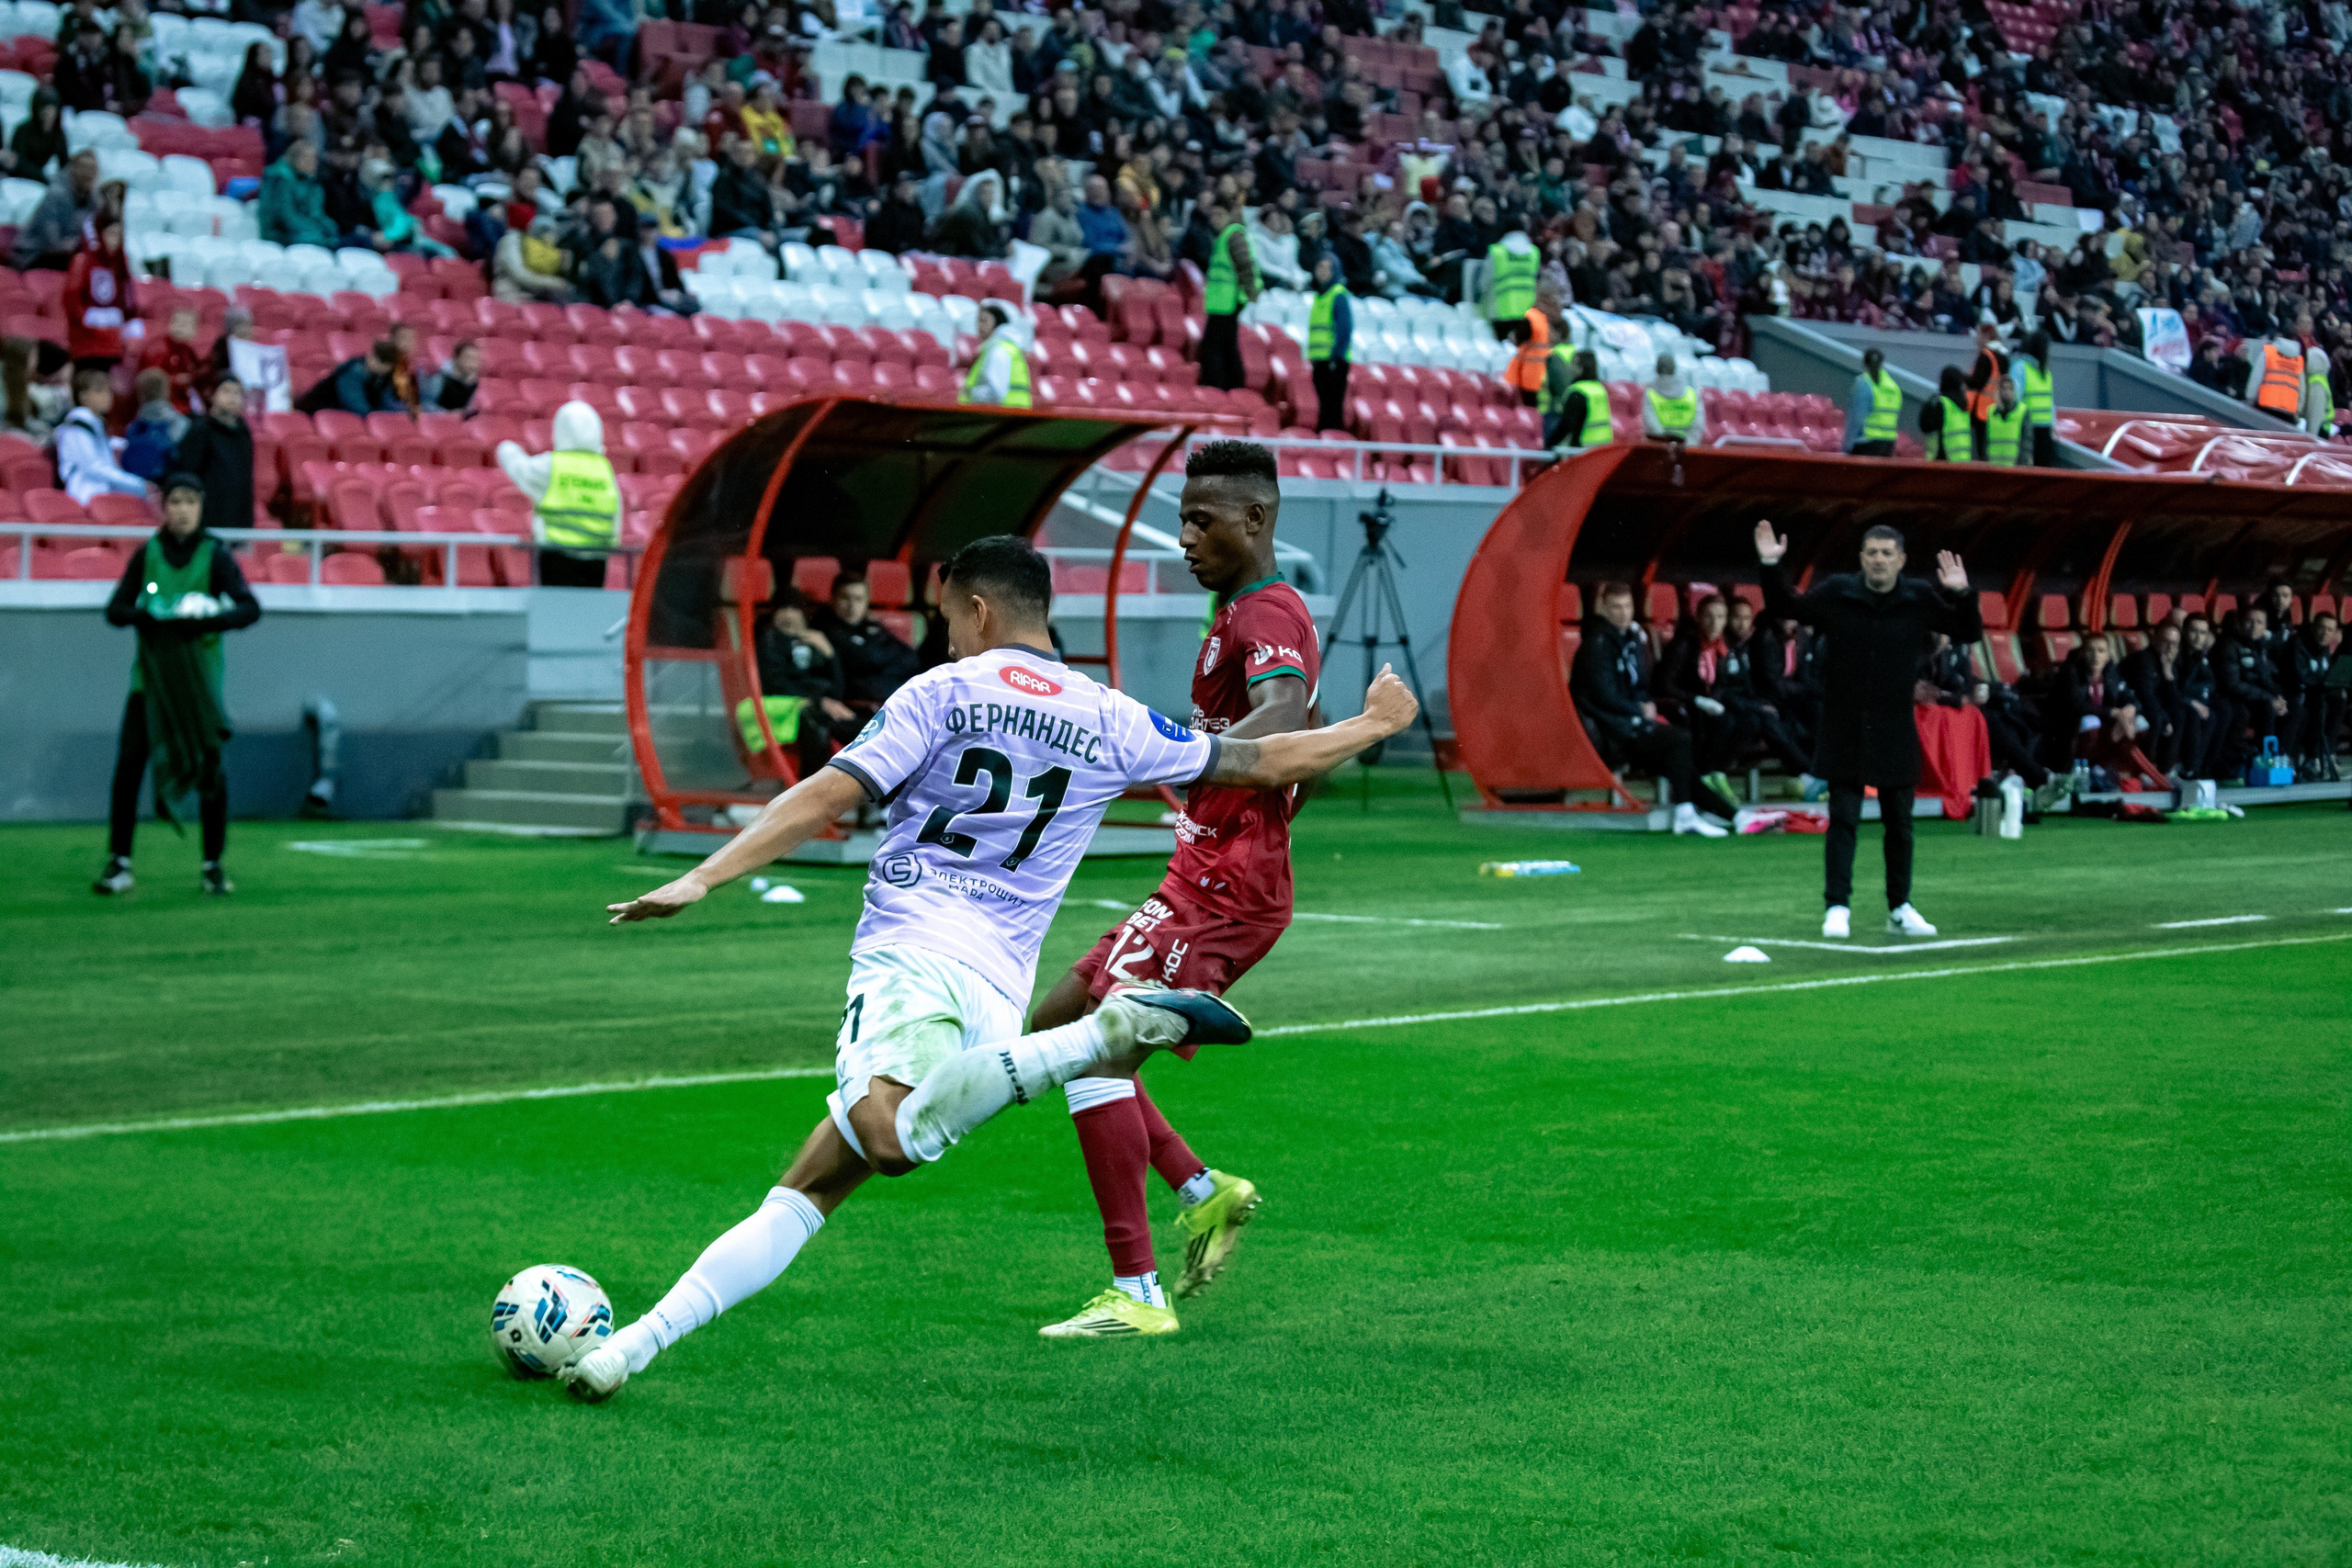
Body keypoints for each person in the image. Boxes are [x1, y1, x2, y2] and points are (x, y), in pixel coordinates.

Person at [563, 536, 1420, 1402]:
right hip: (997, 993)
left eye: (946, 619)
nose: (944, 639)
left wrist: (704, 873)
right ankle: (629, 1347)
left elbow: (830, 790)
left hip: (911, 951)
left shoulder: (942, 692)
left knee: (891, 1139)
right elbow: (1266, 760)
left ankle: (1094, 1041)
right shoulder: (1109, 714)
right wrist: (1374, 725)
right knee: (816, 1179)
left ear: (977, 610)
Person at [1023, 440, 1317, 1336]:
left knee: (1096, 1053)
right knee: (1055, 1025)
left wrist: (1195, 751)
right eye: (1180, 518)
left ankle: (1137, 1293)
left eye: (1202, 520)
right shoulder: (1230, 613)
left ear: (1255, 520)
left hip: (1231, 883)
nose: (1184, 537)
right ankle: (1202, 1190)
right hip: (1195, 869)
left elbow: (1284, 714)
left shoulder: (1269, 611)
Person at [1756, 520, 1979, 938]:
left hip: (1895, 723)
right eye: (1872, 553)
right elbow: (1787, 607)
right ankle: (1837, 907)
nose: (1879, 560)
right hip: (1845, 723)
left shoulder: (1919, 596)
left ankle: (1900, 907)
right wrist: (1771, 566)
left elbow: (1968, 630)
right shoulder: (1839, 591)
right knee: (1843, 819)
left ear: (1901, 560)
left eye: (1887, 553)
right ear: (1861, 559)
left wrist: (1962, 593)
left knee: (1900, 823)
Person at [93, 474, 260, 898]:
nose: (182, 510)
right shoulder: (148, 553)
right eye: (175, 502)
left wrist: (208, 621)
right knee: (129, 766)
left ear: (201, 507)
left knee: (210, 774)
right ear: (163, 508)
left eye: (190, 501)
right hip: (149, 684)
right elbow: (115, 609)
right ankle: (120, 862)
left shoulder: (215, 554)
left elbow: (249, 608)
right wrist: (143, 618)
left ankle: (212, 865)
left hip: (198, 686)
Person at [1569, 581, 1738, 835]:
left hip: (1630, 722)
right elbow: (1602, 695)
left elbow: (1639, 685)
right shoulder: (1598, 645)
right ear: (1603, 608)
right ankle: (1685, 813)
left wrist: (1646, 708)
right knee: (1678, 741)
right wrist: (1639, 711)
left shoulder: (1632, 639)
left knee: (1682, 765)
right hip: (1613, 729)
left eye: (1627, 606)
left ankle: (1735, 816)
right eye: (1616, 607)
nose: (1623, 613)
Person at [496, 400, 619, 589]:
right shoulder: (604, 469)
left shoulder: (552, 466)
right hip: (597, 560)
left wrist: (506, 448)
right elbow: (616, 515)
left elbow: (520, 470)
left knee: (555, 615)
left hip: (555, 558)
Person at [811, 572, 921, 707]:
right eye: (845, 598)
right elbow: (863, 658)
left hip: (888, 698)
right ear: (832, 598)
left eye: (858, 599)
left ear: (867, 602)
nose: (852, 606)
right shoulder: (823, 628)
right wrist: (885, 661)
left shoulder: (870, 625)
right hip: (856, 705)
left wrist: (878, 663)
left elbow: (910, 657)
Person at [171, 378, 255, 537]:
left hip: (240, 524)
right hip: (207, 524)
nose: (232, 397)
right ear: (212, 396)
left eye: (237, 393)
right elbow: (187, 474)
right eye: (226, 391)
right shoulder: (200, 431)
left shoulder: (244, 433)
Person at [54, 367, 149, 504]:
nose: (107, 395)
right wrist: (138, 484)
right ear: (83, 396)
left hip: (103, 491)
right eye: (99, 391)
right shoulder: (77, 426)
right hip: (85, 495)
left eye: (109, 390)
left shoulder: (96, 424)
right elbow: (93, 467)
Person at [61, 214, 135, 371]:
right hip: (86, 343)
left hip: (112, 344)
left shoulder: (120, 264)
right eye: (111, 234)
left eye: (119, 235)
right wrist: (90, 321)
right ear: (100, 234)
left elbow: (125, 299)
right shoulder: (83, 261)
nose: (115, 241)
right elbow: (72, 299)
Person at [1197, 196, 1257, 393]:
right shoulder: (1224, 235)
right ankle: (1232, 387)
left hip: (1228, 301)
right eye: (1212, 214)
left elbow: (1246, 265)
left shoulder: (1232, 235)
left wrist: (1250, 294)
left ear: (1229, 216)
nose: (1215, 219)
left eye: (1219, 214)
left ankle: (1216, 387)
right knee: (1227, 346)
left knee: (1212, 347)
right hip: (1222, 301)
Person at [13, 147, 99, 270]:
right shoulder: (56, 195)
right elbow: (53, 243)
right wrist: (79, 244)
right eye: (85, 170)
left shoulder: (91, 200)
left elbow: (91, 239)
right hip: (33, 255)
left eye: (93, 171)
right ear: (73, 170)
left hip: (64, 257)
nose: (89, 175)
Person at [2282, 611, 2343, 780]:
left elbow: (2324, 673)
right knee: (2320, 704)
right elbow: (2300, 676)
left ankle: (2327, 753)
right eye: (2322, 628)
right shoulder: (2298, 644)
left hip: (2315, 693)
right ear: (2314, 628)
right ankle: (2311, 757)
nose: (2325, 633)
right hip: (2296, 693)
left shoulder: (2324, 649)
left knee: (2339, 700)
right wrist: (2324, 685)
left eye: (2330, 630)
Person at [1306, 252, 1352, 433]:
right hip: (1320, 360)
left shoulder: (1338, 294)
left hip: (1334, 360)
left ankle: (1332, 436)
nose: (1323, 272)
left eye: (1327, 268)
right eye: (1320, 267)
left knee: (1332, 404)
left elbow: (1344, 328)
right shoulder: (1318, 296)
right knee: (1323, 402)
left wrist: (1336, 355)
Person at [295, 339, 403, 415]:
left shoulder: (386, 377)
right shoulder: (352, 371)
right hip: (312, 412)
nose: (378, 365)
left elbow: (390, 403)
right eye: (377, 359)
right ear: (371, 354)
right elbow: (356, 405)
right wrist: (377, 416)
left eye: (385, 364)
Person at [957, 301, 1031, 407]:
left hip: (1003, 415)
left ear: (996, 322)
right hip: (1013, 412)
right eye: (978, 321)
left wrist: (970, 392)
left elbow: (995, 392)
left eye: (984, 321)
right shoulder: (1009, 347)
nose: (979, 326)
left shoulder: (998, 350)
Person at [120, 368, 187, 480]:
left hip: (138, 486)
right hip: (167, 482)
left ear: (140, 394)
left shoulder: (132, 429)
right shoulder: (180, 423)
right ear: (165, 391)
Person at [1542, 346, 1611, 451]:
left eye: (1574, 364)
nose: (1570, 367)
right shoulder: (1600, 389)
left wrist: (1550, 444)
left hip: (1583, 449)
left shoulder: (1578, 392)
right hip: (1603, 448)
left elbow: (1566, 425)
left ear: (1582, 368)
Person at [1484, 224, 1538, 340]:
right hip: (1527, 311)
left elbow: (1484, 282)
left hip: (1501, 310)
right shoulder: (1534, 252)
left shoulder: (1497, 251)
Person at [1962, 321, 2006, 459]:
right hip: (1995, 408)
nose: (1976, 338)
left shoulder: (1985, 356)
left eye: (1979, 334)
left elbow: (1977, 382)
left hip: (1981, 410)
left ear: (1986, 336)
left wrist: (1963, 377)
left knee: (1981, 450)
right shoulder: (2002, 356)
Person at [1845, 346, 1900, 456]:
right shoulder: (1893, 387)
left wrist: (1846, 446)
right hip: (1888, 445)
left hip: (1867, 443)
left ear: (1864, 364)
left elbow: (1856, 420)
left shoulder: (1864, 383)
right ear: (1882, 363)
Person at [1642, 353, 1705, 446]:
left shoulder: (1650, 393)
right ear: (1675, 369)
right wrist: (1688, 445)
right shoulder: (1692, 394)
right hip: (1687, 450)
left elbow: (1651, 424)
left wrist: (1668, 445)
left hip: (1659, 449)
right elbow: (1698, 425)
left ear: (1656, 369)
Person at [2018, 330, 2058, 466]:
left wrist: (2053, 425)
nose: (2049, 352)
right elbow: (2014, 399)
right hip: (2028, 429)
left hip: (2045, 431)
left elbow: (2050, 402)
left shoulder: (2046, 372)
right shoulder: (2020, 368)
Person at [1922, 364, 1970, 461]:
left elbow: (1925, 425)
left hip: (1940, 459)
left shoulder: (1939, 404)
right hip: (1961, 460)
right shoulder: (1963, 407)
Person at [420, 341, 481, 413]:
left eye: (475, 359)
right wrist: (448, 414)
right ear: (456, 358)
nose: (472, 363)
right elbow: (424, 407)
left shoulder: (472, 383)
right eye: (468, 357)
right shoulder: (438, 380)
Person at [1982, 374, 2028, 466]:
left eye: (2010, 388)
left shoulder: (2022, 411)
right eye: (2004, 388)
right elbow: (1985, 442)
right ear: (1999, 390)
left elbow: (2026, 444)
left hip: (2014, 469)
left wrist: (2024, 466)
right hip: (1993, 468)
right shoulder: (1991, 412)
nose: (2007, 392)